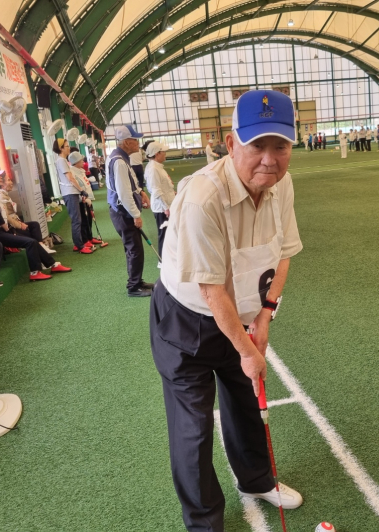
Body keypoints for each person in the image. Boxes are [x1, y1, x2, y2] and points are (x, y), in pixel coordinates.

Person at [150, 89, 303, 532]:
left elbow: (285, 254)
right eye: (257, 145)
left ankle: (256, 479)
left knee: (246, 401)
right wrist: (248, 347)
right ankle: (203, 522)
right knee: (193, 427)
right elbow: (212, 289)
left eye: (280, 146)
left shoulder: (282, 185)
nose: (269, 160)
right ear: (232, 143)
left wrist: (265, 318)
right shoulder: (203, 198)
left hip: (244, 313)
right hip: (187, 321)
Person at [0, 167, 72, 281]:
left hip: (0, 230)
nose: (1, 178)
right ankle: (35, 272)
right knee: (30, 242)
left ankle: (53, 265)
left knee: (33, 241)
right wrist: (8, 229)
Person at [107, 125, 154, 297]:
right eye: (135, 139)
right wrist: (136, 214)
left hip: (121, 210)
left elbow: (131, 182)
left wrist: (141, 192)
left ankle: (137, 280)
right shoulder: (119, 161)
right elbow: (124, 192)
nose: (137, 142)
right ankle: (134, 287)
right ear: (127, 142)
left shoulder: (121, 157)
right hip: (123, 212)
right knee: (134, 249)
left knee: (134, 248)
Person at [53, 138, 94, 254]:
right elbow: (70, 178)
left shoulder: (63, 161)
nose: (69, 148)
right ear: (61, 148)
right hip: (70, 193)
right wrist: (81, 190)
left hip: (72, 192)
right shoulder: (61, 161)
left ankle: (79, 243)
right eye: (66, 146)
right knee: (76, 220)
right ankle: (79, 245)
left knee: (78, 219)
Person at [0, 177, 55, 254]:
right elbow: (7, 217)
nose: (11, 182)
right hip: (12, 227)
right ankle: (42, 250)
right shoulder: (1, 196)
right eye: (9, 180)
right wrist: (20, 225)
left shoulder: (6, 195)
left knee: (34, 224)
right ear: (2, 184)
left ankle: (42, 246)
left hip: (15, 223)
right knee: (31, 236)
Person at [144, 141, 175, 264]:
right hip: (162, 208)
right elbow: (156, 190)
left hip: (166, 205)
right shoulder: (153, 169)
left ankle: (168, 258)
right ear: (157, 154)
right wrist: (165, 207)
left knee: (169, 233)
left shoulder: (156, 167)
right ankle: (162, 261)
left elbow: (163, 186)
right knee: (164, 234)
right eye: (163, 152)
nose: (165, 154)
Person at [69, 151, 104, 248]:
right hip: (82, 200)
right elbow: (77, 186)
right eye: (81, 160)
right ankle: (84, 240)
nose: (83, 162)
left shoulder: (81, 170)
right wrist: (84, 198)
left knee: (89, 219)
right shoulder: (72, 172)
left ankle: (89, 237)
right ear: (76, 162)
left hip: (88, 199)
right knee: (84, 221)